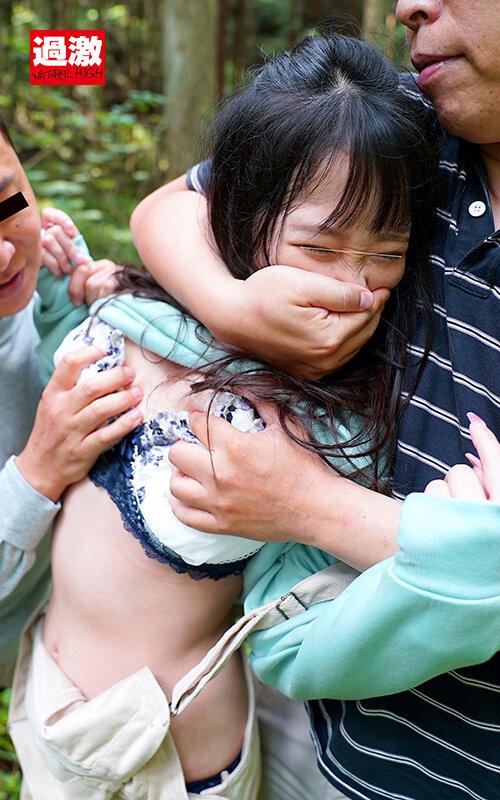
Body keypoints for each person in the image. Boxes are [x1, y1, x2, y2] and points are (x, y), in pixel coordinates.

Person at [9, 34, 441, 800]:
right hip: (47, 713)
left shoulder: (326, 435)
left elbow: (317, 622)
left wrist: (455, 564)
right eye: (320, 248)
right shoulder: (149, 313)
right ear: (240, 215)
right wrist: (65, 299)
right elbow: (63, 371)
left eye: (387, 254)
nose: (354, 287)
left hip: (175, 765)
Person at [130, 2, 500, 798]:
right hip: (321, 746)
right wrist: (232, 307)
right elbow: (172, 208)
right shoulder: (406, 124)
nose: (407, 5)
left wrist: (305, 504)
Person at [0, 116, 143, 687]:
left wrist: (96, 307)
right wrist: (39, 471)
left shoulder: (50, 273)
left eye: (7, 203)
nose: (4, 255)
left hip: (77, 653)